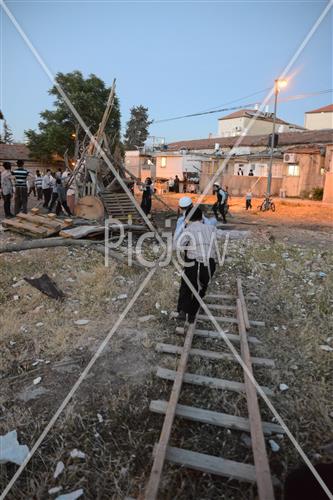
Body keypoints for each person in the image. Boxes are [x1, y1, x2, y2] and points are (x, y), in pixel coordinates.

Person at [174, 206, 217, 323]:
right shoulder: (211, 228)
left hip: (193, 264)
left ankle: (183, 311)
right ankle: (192, 315)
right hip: (209, 265)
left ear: (188, 219)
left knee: (186, 286)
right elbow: (228, 234)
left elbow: (177, 245)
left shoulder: (189, 229)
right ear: (201, 217)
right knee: (201, 289)